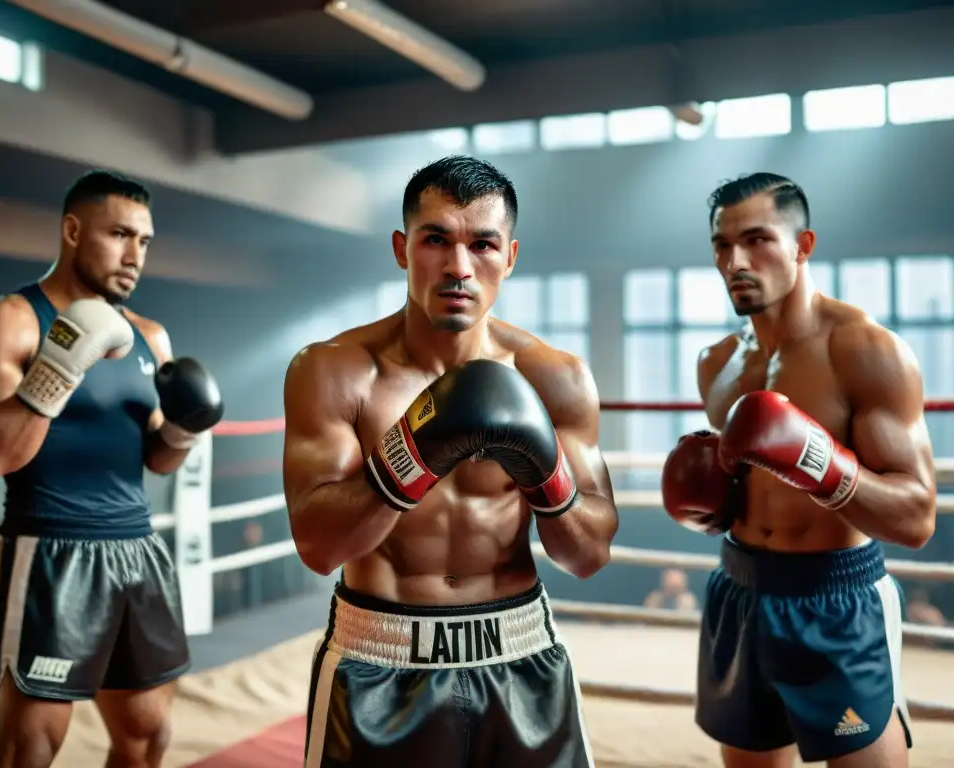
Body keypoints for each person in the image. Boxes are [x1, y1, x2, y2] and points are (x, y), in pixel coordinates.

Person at [284, 155, 618, 767]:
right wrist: (411, 453)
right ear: (401, 248)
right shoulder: (336, 370)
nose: (459, 267)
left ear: (510, 257)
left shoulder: (556, 378)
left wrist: (548, 477)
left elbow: (589, 555)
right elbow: (318, 548)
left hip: (518, 650)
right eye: (436, 238)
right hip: (381, 660)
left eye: (483, 245)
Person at [660, 172, 936, 767]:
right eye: (722, 244)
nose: (736, 259)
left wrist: (818, 463)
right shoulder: (718, 363)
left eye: (757, 239)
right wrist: (711, 504)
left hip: (835, 599)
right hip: (740, 587)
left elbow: (917, 518)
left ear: (802, 245)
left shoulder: (864, 350)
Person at [0, 170, 225, 768]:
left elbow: (156, 459)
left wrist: (182, 429)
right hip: (49, 551)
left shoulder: (150, 337)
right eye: (120, 234)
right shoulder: (12, 321)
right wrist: (59, 366)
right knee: (29, 749)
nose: (135, 256)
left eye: (145, 241)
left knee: (148, 737)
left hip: (137, 551)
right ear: (73, 230)